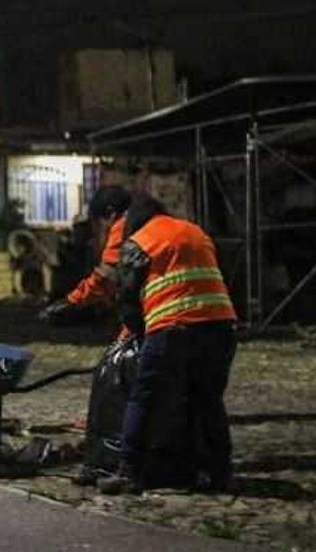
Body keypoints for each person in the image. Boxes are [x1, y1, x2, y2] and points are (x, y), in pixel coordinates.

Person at [98, 194, 237, 494]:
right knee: (209, 401)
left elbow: (127, 296)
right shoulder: (195, 231)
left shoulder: (141, 240)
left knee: (143, 398)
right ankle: (220, 472)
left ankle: (128, 471)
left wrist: (137, 333)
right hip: (221, 326)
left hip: (173, 330)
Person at [40, 186, 131, 324]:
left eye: (100, 221)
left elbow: (104, 277)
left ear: (110, 213)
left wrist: (70, 301)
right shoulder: (153, 220)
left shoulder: (124, 228)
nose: (104, 228)